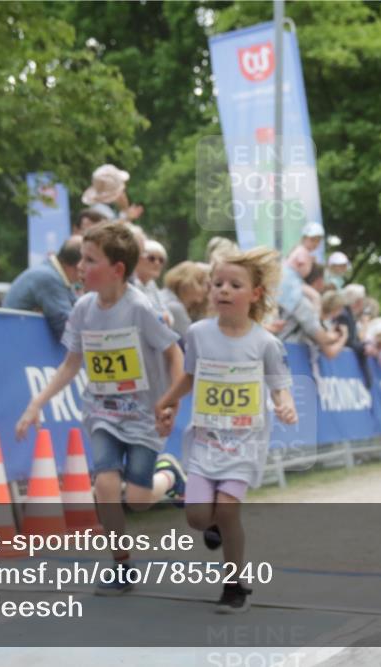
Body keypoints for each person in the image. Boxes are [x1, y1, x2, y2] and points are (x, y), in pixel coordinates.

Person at [15, 223, 185, 594]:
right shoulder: (82, 309)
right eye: (80, 258)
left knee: (138, 501)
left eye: (90, 260)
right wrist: (36, 403)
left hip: (143, 416)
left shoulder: (139, 308)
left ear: (117, 270)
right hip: (103, 412)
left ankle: (170, 477)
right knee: (105, 484)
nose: (79, 266)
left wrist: (170, 401)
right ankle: (121, 567)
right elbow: (71, 364)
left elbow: (174, 353)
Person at [155, 247, 297, 613]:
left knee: (229, 511)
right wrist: (168, 401)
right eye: (217, 283)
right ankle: (191, 494)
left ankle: (234, 585)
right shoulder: (199, 334)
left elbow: (279, 383)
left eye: (235, 284)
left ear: (255, 294)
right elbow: (189, 376)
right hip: (206, 441)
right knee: (198, 518)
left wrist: (285, 403)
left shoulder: (265, 342)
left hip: (245, 443)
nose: (224, 290)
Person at [2, 236, 82, 340]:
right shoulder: (49, 278)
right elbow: (66, 327)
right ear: (78, 265)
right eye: (89, 261)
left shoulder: (53, 273)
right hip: (17, 341)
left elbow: (77, 310)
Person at [160, 261, 211, 338]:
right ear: (186, 283)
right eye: (201, 283)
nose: (206, 289)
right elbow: (192, 342)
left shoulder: (164, 296)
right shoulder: (175, 307)